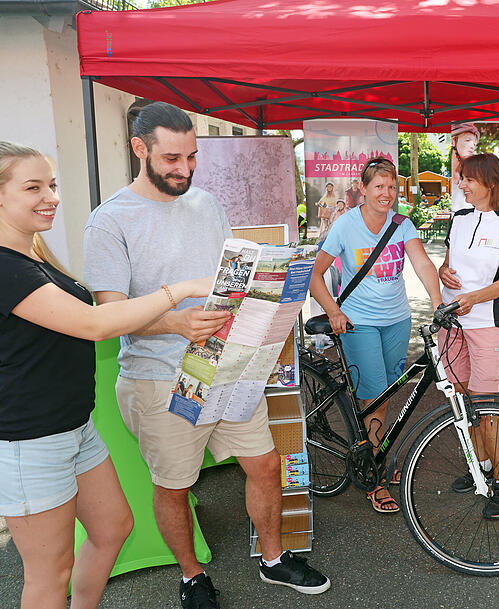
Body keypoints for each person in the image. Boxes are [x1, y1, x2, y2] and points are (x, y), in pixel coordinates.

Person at [83, 102, 329, 609]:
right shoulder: (109, 222)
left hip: (228, 365)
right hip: (159, 378)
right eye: (172, 158)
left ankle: (274, 558)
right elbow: (109, 315)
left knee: (264, 465)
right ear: (139, 149)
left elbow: (229, 281)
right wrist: (173, 321)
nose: (185, 169)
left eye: (192, 156)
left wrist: (270, 300)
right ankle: (192, 576)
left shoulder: (207, 204)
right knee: (175, 486)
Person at [0, 140, 215, 609]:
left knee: (113, 528)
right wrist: (180, 289)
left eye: (53, 185)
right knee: (48, 577)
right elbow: (95, 324)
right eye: (34, 186)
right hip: (25, 440)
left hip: (73, 427)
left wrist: (175, 319)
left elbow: (94, 323)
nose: (52, 197)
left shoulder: (33, 255)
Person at [308, 157, 442, 514]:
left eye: (392, 187)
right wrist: (334, 311)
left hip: (397, 320)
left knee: (386, 392)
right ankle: (375, 474)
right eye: (378, 187)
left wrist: (439, 302)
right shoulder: (345, 225)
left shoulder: (402, 224)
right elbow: (315, 275)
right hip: (358, 322)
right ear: (363, 190)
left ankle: (375, 448)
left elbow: (423, 263)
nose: (386, 194)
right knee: (374, 396)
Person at [438, 153, 499, 519]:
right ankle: (481, 467)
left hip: (485, 321)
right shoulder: (458, 219)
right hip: (451, 321)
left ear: (490, 182)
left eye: (468, 179)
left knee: (486, 408)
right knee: (461, 402)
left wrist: (472, 297)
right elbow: (448, 262)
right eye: (461, 179)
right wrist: (443, 273)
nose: (462, 185)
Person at [449, 122, 480, 213]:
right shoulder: (447, 173)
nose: (472, 146)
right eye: (468, 140)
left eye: (474, 144)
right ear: (453, 141)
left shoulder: (473, 173)